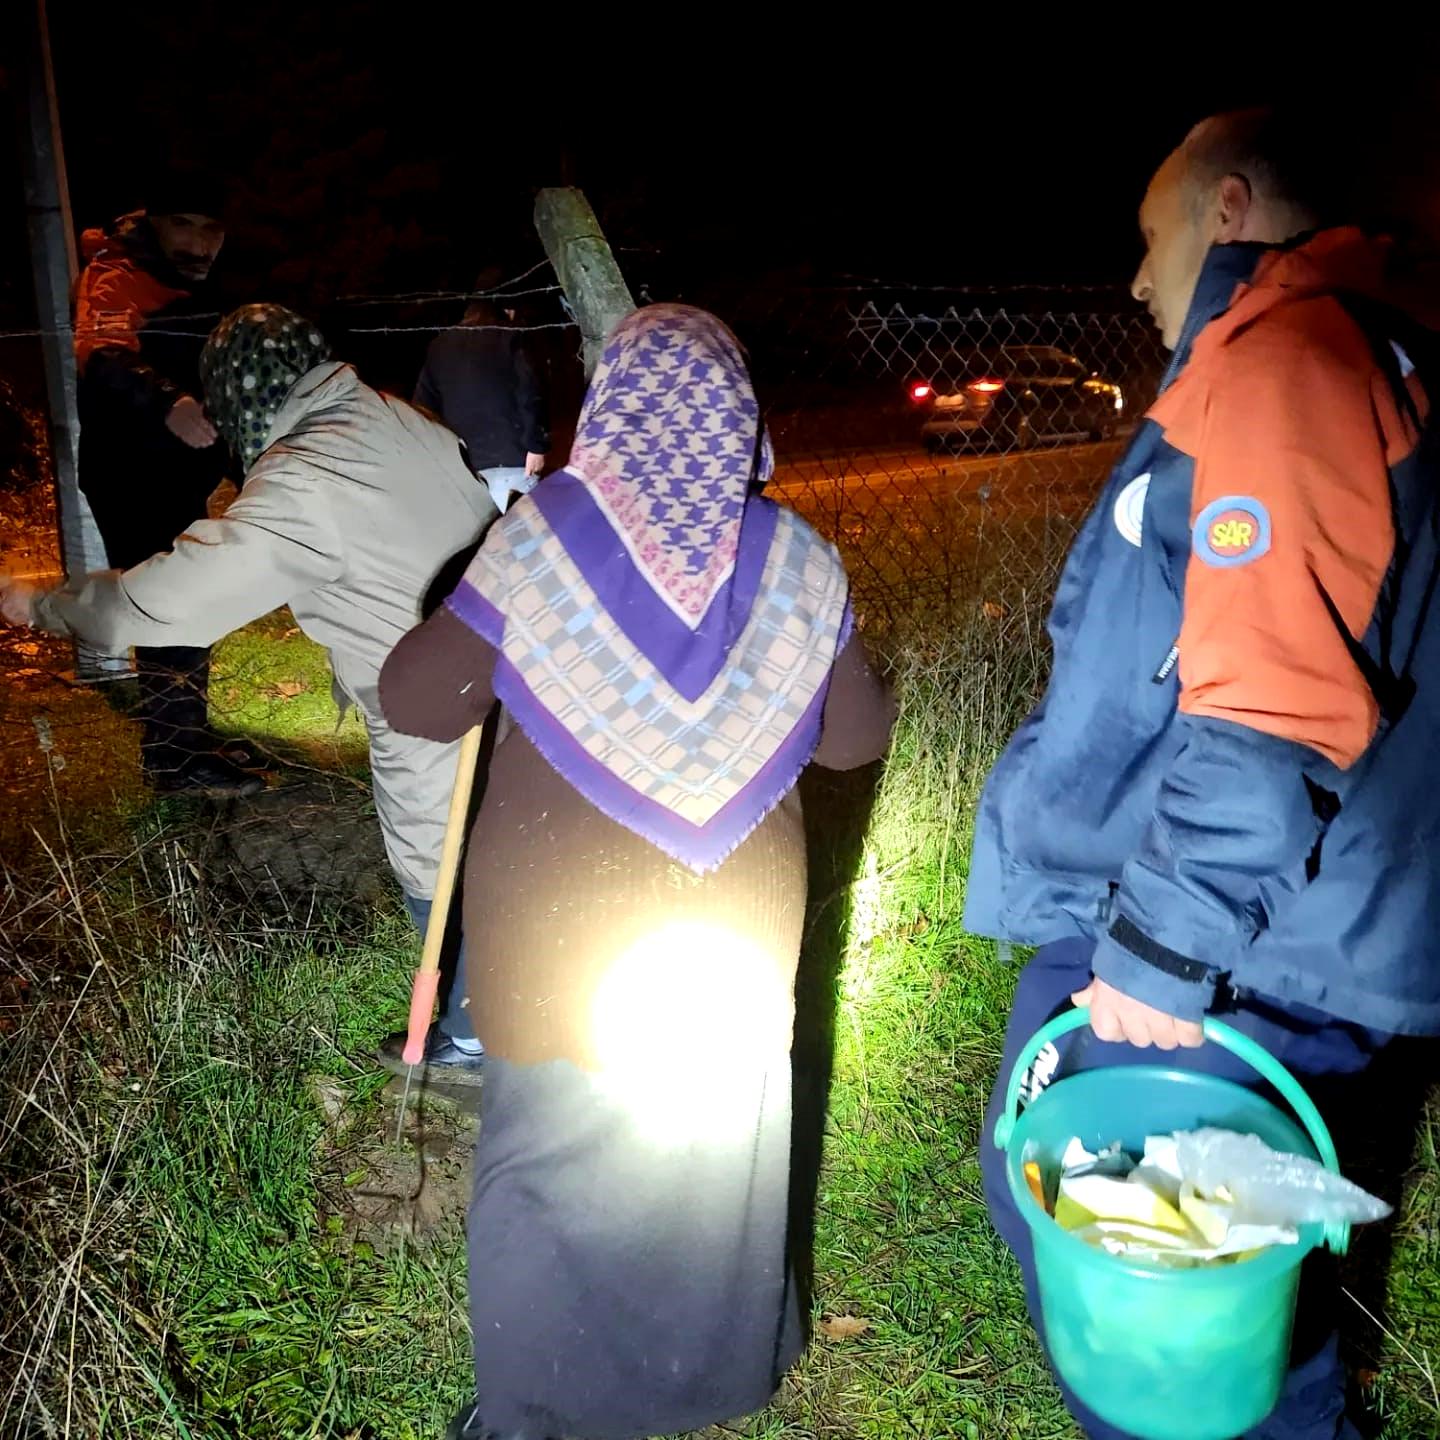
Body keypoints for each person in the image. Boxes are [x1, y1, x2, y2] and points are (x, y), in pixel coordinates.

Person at [966, 109, 1440, 1439]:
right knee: (1229, 1265)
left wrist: (1166, 948)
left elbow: (1275, 688)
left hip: (1233, 938)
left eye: (1148, 238)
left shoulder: (1285, 361)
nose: (1133, 278)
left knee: (1167, 1285)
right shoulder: (1366, 348)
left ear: (1227, 211)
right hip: (1304, 919)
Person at [378, 304, 895, 1440]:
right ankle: (710, 1377)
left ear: (608, 411)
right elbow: (855, 740)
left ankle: (535, 1412)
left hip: (557, 943)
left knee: (548, 1169)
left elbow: (414, 699)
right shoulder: (802, 556)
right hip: (736, 943)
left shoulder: (542, 537)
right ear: (741, 423)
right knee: (713, 1163)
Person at [1, 304, 498, 1076]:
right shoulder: (394, 417)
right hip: (503, 665)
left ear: (237, 401)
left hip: (432, 696)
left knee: (440, 860)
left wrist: (47, 605)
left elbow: (164, 601)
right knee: (496, 841)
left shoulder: (306, 473)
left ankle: (472, 1041)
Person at [73, 168, 254, 794]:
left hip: (174, 475)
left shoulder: (176, 281)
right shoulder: (119, 276)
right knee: (170, 608)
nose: (200, 242)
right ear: (151, 220)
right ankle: (175, 761)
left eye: (212, 229)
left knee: (186, 605)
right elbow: (103, 355)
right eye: (183, 223)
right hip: (132, 476)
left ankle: (185, 735)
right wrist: (169, 401)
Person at [413, 271, 550, 513]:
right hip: (514, 462)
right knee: (522, 544)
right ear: (506, 306)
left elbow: (422, 409)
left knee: (484, 547)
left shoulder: (439, 346)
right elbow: (529, 393)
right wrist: (536, 446)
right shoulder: (512, 336)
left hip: (465, 473)